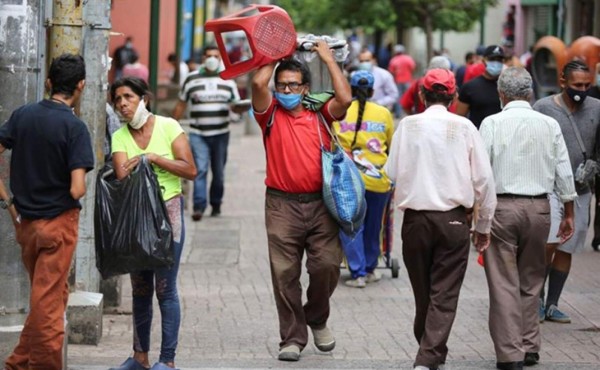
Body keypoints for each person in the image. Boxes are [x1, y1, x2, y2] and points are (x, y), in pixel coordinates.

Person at [384, 68, 496, 370]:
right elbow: (483, 181)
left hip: (416, 221)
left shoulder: (407, 126)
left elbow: (391, 173)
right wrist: (483, 226)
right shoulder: (465, 127)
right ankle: (431, 352)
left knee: (425, 293)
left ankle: (428, 353)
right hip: (454, 221)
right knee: (442, 293)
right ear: (453, 96)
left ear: (421, 94)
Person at [251, 40, 352, 362]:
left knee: (326, 266)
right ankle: (292, 337)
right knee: (285, 274)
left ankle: (317, 316)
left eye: (293, 85)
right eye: (281, 85)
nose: (286, 90)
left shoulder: (320, 113)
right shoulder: (268, 114)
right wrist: (278, 55)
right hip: (281, 205)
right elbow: (256, 82)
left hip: (322, 204)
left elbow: (346, 98)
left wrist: (327, 58)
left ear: (306, 87)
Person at [0, 54, 94, 370]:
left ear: (49, 82)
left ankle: (17, 362)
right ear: (81, 85)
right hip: (58, 224)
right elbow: (78, 188)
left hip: (25, 224)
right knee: (50, 305)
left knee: (47, 297)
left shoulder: (23, 115)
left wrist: (9, 202)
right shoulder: (74, 127)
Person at [480, 67, 576, 370]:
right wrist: (569, 212)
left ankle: (510, 354)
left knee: (503, 283)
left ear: (501, 94)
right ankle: (530, 347)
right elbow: (564, 168)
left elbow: (482, 175)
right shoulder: (549, 124)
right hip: (540, 209)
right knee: (533, 280)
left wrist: (478, 218)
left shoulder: (492, 123)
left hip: (502, 210)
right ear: (530, 93)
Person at [108, 77, 197, 370]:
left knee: (165, 288)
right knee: (140, 289)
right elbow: (121, 174)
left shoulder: (169, 126)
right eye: (117, 99)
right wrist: (140, 162)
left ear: (144, 98)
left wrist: (153, 158)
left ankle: (167, 360)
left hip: (168, 214)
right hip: (137, 218)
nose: (123, 104)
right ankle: (140, 357)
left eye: (128, 97)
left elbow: (190, 169)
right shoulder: (120, 136)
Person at [533, 60, 600, 324]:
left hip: (581, 190)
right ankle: (535, 300)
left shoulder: (597, 108)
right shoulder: (543, 108)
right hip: (549, 189)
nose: (582, 90)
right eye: (576, 85)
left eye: (586, 85)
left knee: (566, 248)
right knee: (546, 246)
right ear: (562, 82)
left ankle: (552, 304)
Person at [332, 70, 394, 288]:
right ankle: (370, 269)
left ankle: (357, 273)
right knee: (374, 226)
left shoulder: (340, 112)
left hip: (349, 181)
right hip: (379, 180)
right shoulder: (384, 113)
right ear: (372, 91)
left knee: (351, 227)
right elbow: (390, 144)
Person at [172, 45, 245, 221]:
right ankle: (199, 206)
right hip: (198, 133)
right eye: (208, 55)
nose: (212, 58)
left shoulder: (228, 80)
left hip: (221, 133)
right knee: (201, 169)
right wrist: (172, 126)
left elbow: (236, 106)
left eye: (215, 56)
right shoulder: (191, 79)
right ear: (203, 58)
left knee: (218, 172)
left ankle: (216, 203)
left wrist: (239, 107)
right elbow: (181, 104)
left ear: (220, 59)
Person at [456, 45, 505, 129]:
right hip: (478, 137)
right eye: (492, 59)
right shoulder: (469, 87)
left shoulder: (507, 86)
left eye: (499, 60)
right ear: (484, 60)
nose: (496, 63)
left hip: (503, 137)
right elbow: (459, 119)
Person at [388, 44, 416, 117]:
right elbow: (413, 68)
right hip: (408, 80)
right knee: (410, 96)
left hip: (398, 81)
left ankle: (398, 113)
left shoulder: (393, 60)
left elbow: (391, 71)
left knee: (398, 97)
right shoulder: (408, 58)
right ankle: (410, 112)